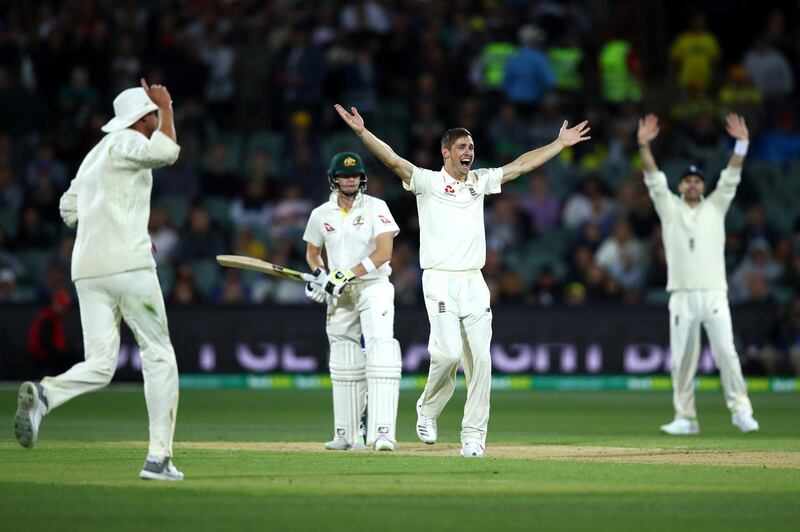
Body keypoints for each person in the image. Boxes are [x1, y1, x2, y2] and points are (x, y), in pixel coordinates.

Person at [335, 103, 590, 457]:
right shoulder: (427, 181)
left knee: (481, 361)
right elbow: (393, 161)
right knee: (448, 354)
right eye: (461, 148)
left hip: (474, 281)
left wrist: (558, 144)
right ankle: (427, 408)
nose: (468, 152)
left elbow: (521, 165)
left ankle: (473, 436)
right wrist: (362, 132)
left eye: (471, 147)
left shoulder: (480, 181)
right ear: (446, 153)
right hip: (439, 279)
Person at [13, 79, 185, 480]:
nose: (155, 119)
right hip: (129, 268)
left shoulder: (92, 156)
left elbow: (68, 208)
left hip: (88, 271)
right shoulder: (127, 141)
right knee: (159, 355)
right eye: (152, 115)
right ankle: (159, 458)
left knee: (101, 363)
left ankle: (45, 395)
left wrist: (117, 225)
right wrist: (168, 108)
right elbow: (167, 151)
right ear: (144, 117)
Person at [637, 112, 759, 435]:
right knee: (682, 360)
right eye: (687, 180)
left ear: (703, 187)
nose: (692, 184)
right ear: (680, 186)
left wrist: (742, 143)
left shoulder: (716, 206)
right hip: (681, 294)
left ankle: (741, 411)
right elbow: (653, 178)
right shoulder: (670, 207)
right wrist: (644, 146)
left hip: (714, 292)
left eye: (697, 180)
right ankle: (686, 418)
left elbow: (731, 175)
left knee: (727, 354)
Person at [303, 152, 402, 452]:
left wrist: (345, 273)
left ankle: (383, 434)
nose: (350, 180)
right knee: (343, 360)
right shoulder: (321, 214)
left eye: (355, 175)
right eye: (345, 176)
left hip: (373, 287)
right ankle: (346, 435)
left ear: (362, 178)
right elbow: (312, 254)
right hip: (341, 296)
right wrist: (321, 277)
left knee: (381, 353)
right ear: (334, 178)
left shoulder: (376, 207)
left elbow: (384, 252)